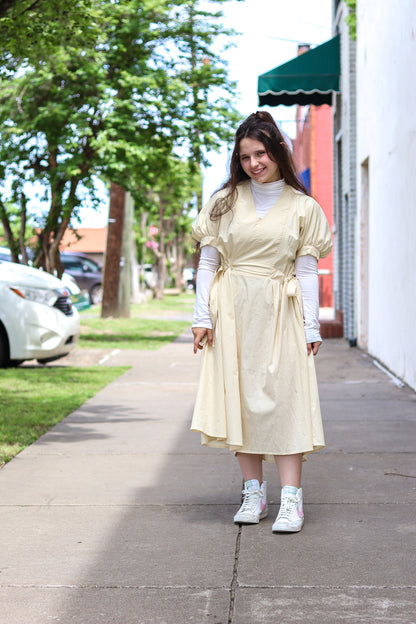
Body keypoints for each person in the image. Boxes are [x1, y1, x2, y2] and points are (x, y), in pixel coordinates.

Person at [191, 111, 332, 533]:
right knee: (241, 399)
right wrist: (202, 316)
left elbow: (307, 272)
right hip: (231, 309)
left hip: (281, 310)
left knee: (286, 398)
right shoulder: (224, 202)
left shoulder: (304, 208)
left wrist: (312, 325)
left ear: (278, 152)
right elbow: (207, 262)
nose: (255, 163)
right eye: (246, 156)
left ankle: (292, 499)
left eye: (262, 153)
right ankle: (253, 492)